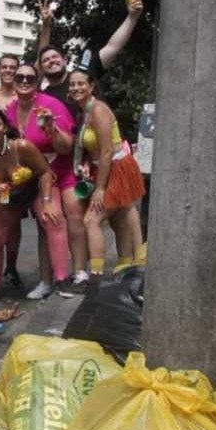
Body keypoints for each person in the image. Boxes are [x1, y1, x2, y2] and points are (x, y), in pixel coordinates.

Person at [0, 108, 69, 300]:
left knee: (53, 219)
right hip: (12, 195)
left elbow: (45, 172)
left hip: (38, 188)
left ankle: (62, 279)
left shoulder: (21, 146)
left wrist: (48, 201)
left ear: (5, 127)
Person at [4, 62, 79, 299]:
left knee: (52, 220)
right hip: (26, 178)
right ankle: (45, 281)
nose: (24, 82)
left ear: (37, 82)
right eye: (19, 78)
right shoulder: (9, 110)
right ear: (13, 81)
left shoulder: (51, 105)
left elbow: (67, 147)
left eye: (30, 78)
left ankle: (62, 278)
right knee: (38, 228)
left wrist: (52, 129)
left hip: (54, 174)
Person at [68, 69, 146, 290]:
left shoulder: (98, 110)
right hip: (104, 168)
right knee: (119, 219)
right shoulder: (84, 111)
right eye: (72, 84)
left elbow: (106, 152)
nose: (76, 88)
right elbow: (93, 150)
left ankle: (96, 275)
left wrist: (100, 188)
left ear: (91, 86)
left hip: (117, 168)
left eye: (81, 83)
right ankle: (126, 267)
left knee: (91, 220)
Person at [37, 0, 144, 113]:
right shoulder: (41, 96)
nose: (51, 60)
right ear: (41, 67)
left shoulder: (84, 74)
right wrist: (46, 27)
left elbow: (113, 47)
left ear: (65, 60)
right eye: (46, 60)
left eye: (55, 57)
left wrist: (132, 17)